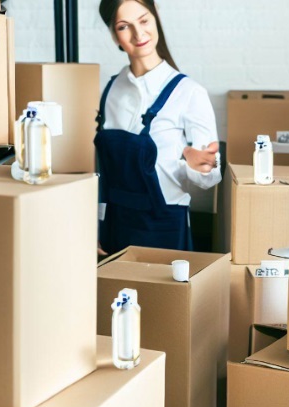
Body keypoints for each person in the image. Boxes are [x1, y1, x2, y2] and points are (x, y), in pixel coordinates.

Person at [95, 0, 221, 256]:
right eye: (124, 26)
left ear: (156, 18)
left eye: (144, 20)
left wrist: (200, 166)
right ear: (113, 35)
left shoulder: (189, 93)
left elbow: (211, 178)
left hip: (163, 227)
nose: (138, 34)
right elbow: (101, 170)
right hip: (114, 228)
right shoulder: (110, 90)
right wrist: (95, 228)